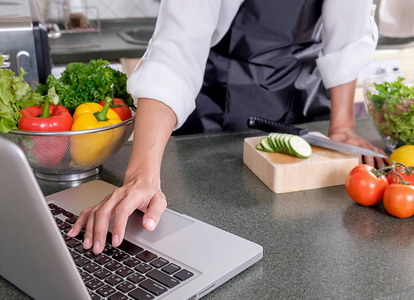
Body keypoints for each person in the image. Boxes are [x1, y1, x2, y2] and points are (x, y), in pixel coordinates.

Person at [68, 0, 388, 253]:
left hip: (301, 94)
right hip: (216, 100)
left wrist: (343, 125)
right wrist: (141, 177)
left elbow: (349, 30)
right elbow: (175, 50)